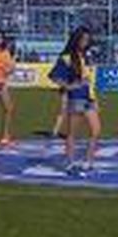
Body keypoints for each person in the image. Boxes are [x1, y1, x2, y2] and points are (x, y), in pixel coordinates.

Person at [48, 27, 100, 176]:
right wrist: (69, 86)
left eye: (87, 40)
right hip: (76, 97)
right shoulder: (67, 57)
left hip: (88, 97)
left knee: (96, 130)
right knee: (72, 133)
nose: (85, 42)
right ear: (76, 39)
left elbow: (89, 80)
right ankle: (70, 163)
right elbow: (54, 76)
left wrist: (95, 99)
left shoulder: (86, 56)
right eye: (83, 39)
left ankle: (88, 162)